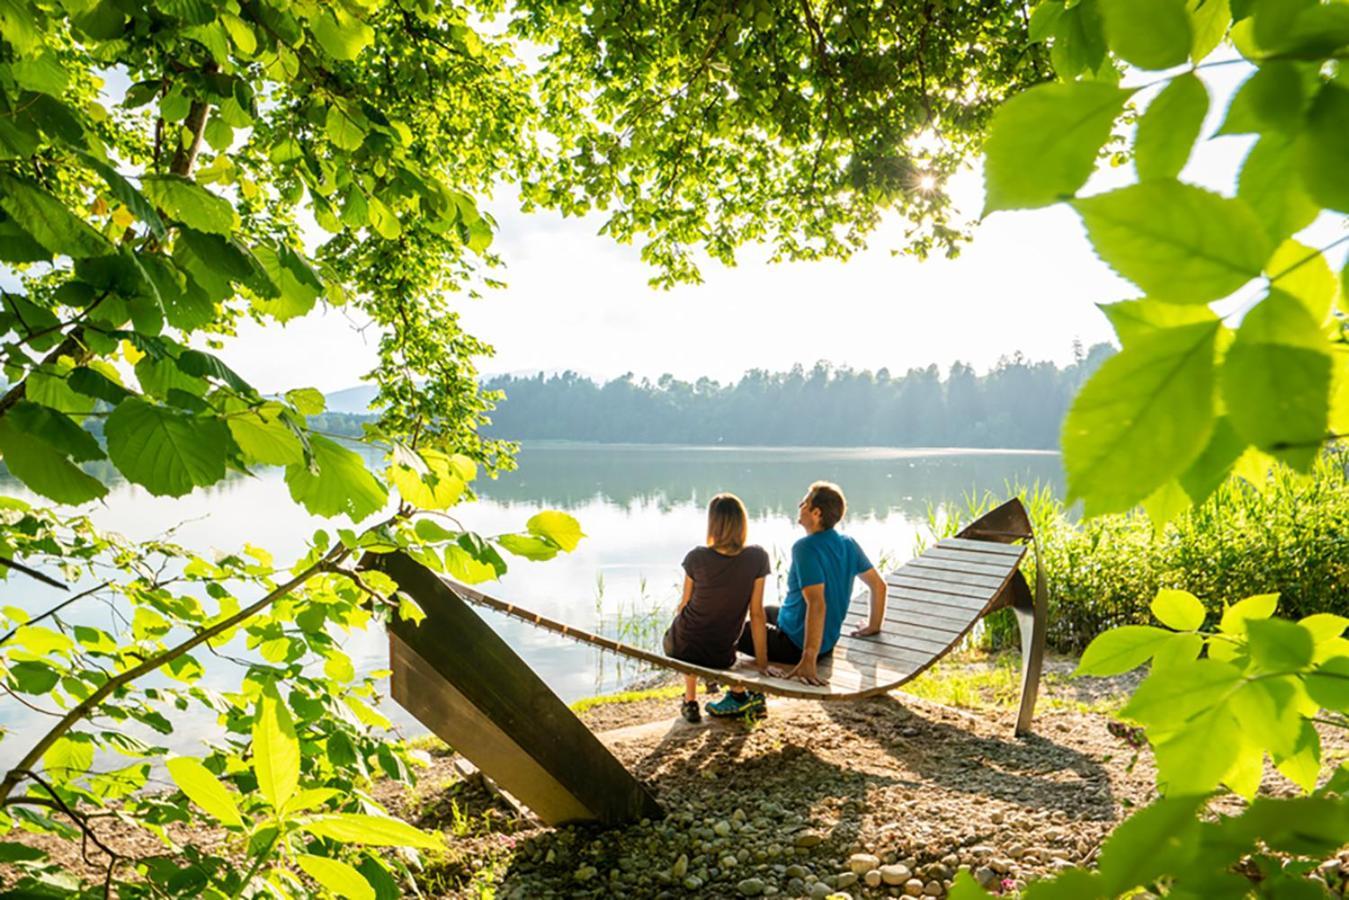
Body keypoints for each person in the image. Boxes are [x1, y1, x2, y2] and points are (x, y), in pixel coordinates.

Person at [715, 481, 885, 714]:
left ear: (816, 513)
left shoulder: (805, 548)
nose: (799, 504)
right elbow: (879, 586)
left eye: (805, 502)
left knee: (730, 631)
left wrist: (808, 658)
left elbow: (817, 604)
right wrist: (873, 626)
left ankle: (742, 697)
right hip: (826, 640)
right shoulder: (848, 543)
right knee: (763, 611)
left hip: (797, 645)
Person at [663, 493, 771, 723]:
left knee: (689, 627)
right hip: (721, 653)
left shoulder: (696, 557)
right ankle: (736, 694)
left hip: (682, 647)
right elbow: (757, 613)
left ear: (712, 524)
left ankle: (690, 702)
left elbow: (684, 605)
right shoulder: (757, 557)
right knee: (708, 632)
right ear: (742, 523)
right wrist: (763, 664)